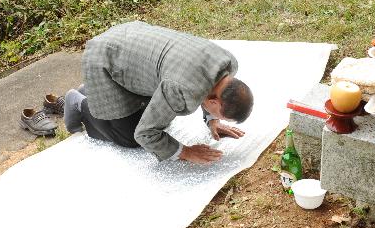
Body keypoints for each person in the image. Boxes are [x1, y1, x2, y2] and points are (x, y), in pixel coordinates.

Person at [62, 21, 254, 165]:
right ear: (215, 103)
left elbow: (210, 91)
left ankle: (91, 89)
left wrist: (212, 120)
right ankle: (79, 102)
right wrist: (186, 152)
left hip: (131, 41)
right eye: (220, 114)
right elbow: (144, 134)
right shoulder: (181, 88)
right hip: (106, 55)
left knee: (158, 118)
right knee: (129, 136)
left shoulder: (228, 63)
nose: (218, 118)